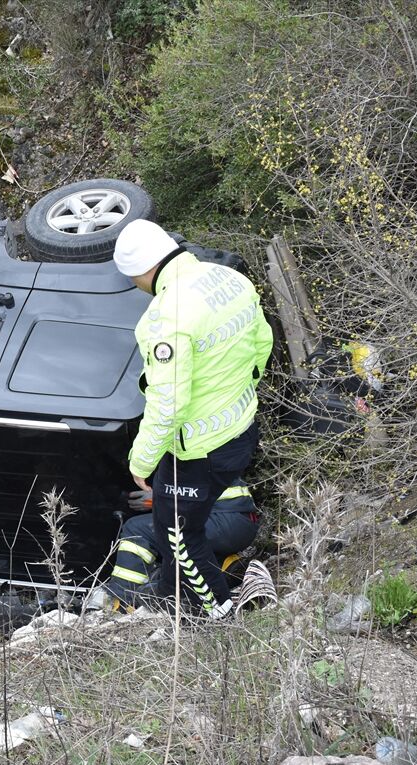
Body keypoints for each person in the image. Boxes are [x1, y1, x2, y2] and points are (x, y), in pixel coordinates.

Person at [114, 219, 273, 619]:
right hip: (239, 430)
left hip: (197, 451)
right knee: (179, 531)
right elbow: (262, 343)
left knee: (178, 539)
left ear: (139, 271)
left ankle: (216, 613)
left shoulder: (165, 317)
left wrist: (141, 461)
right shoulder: (228, 279)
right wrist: (239, 390)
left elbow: (167, 401)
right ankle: (173, 604)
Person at [92, 481, 260, 612]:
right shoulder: (206, 444)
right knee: (179, 540)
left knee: (137, 528)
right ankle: (221, 565)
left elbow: (192, 487)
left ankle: (120, 600)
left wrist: (158, 498)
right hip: (242, 522)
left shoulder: (182, 449)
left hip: (223, 519)